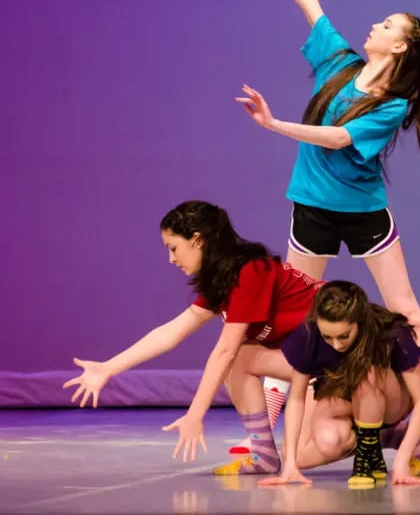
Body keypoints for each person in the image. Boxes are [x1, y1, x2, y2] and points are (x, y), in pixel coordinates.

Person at [235, 0, 420, 430]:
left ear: (400, 48)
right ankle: (268, 432)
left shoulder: (393, 104)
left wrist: (275, 126)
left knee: (405, 310)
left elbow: (338, 138)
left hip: (362, 212)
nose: (375, 26)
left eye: (387, 25)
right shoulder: (337, 61)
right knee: (289, 317)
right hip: (311, 206)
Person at [63, 200, 324, 469]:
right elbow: (172, 331)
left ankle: (368, 435)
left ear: (197, 240)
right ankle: (264, 455)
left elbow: (225, 350)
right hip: (311, 363)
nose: (171, 259)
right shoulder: (224, 279)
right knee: (240, 360)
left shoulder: (250, 272)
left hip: (345, 358)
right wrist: (108, 368)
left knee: (303, 452)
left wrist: (195, 415)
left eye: (173, 248)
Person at [255, 281, 420, 488]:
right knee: (308, 453)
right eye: (327, 336)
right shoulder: (309, 335)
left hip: (391, 401)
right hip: (344, 396)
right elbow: (296, 397)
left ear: (359, 322)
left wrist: (402, 462)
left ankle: (365, 459)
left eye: (344, 336)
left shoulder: (390, 331)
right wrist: (290, 465)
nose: (336, 345)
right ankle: (385, 437)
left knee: (366, 372)